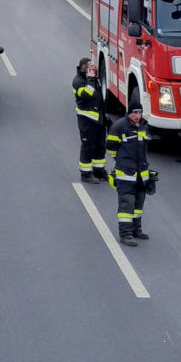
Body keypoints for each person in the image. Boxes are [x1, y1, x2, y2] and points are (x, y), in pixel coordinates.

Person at [106, 98, 151, 245]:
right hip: (126, 174)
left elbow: (143, 151)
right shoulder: (119, 127)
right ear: (129, 113)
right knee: (127, 204)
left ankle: (136, 230)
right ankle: (125, 234)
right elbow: (111, 148)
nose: (137, 115)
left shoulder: (143, 126)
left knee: (139, 204)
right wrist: (122, 162)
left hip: (141, 174)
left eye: (139, 112)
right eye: (134, 113)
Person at [72, 58, 107, 184]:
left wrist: (105, 118)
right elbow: (87, 94)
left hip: (98, 119)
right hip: (87, 121)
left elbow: (99, 98)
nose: (94, 68)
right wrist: (91, 80)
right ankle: (86, 174)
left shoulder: (92, 79)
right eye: (91, 66)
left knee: (100, 145)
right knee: (88, 147)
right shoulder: (78, 82)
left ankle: (98, 170)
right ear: (84, 68)